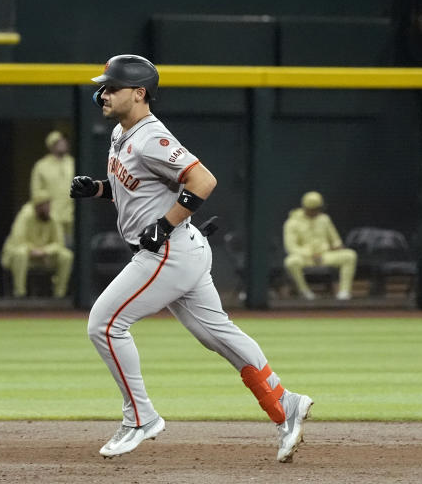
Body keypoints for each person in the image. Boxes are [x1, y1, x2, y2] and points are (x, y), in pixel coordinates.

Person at [69, 54, 312, 461]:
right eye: (104, 86)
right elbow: (136, 189)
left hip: (167, 252)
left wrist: (164, 226)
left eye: (112, 87)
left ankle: (140, 418)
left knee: (105, 324)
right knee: (216, 334)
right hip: (182, 248)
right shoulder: (120, 133)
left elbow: (203, 180)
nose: (103, 93)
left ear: (139, 93)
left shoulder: (150, 137)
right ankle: (284, 404)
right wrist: (96, 189)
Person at [282, 191, 357, 300]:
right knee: (291, 261)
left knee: (350, 255)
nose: (316, 211)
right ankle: (305, 292)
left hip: (324, 256)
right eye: (313, 209)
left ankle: (344, 292)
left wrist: (337, 246)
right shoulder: (292, 222)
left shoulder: (324, 219)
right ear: (306, 207)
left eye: (318, 208)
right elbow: (291, 247)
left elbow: (335, 240)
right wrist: (310, 254)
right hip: (305, 258)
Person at [0, 191, 73, 298]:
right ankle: (20, 294)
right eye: (45, 205)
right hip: (26, 256)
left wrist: (45, 251)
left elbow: (59, 243)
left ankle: (59, 295)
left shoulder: (53, 216)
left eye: (49, 204)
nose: (48, 208)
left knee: (66, 256)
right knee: (20, 253)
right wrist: (32, 250)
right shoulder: (25, 215)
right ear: (38, 206)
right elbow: (18, 240)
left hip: (44, 257)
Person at [30, 130, 75, 243]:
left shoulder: (73, 163)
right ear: (51, 145)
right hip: (52, 218)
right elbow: (36, 193)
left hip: (72, 217)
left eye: (63, 141)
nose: (62, 143)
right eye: (58, 142)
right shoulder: (41, 166)